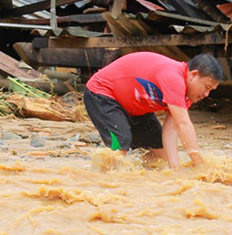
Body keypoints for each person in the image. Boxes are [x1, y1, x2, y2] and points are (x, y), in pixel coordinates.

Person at [83, 52, 222, 168]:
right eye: (207, 87)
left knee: (161, 155)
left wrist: (174, 168)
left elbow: (172, 127)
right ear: (193, 75)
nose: (206, 94)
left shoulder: (187, 95)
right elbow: (183, 123)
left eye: (211, 90)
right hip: (101, 93)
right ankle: (106, 180)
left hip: (133, 107)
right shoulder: (174, 77)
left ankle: (138, 178)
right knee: (121, 143)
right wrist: (200, 165)